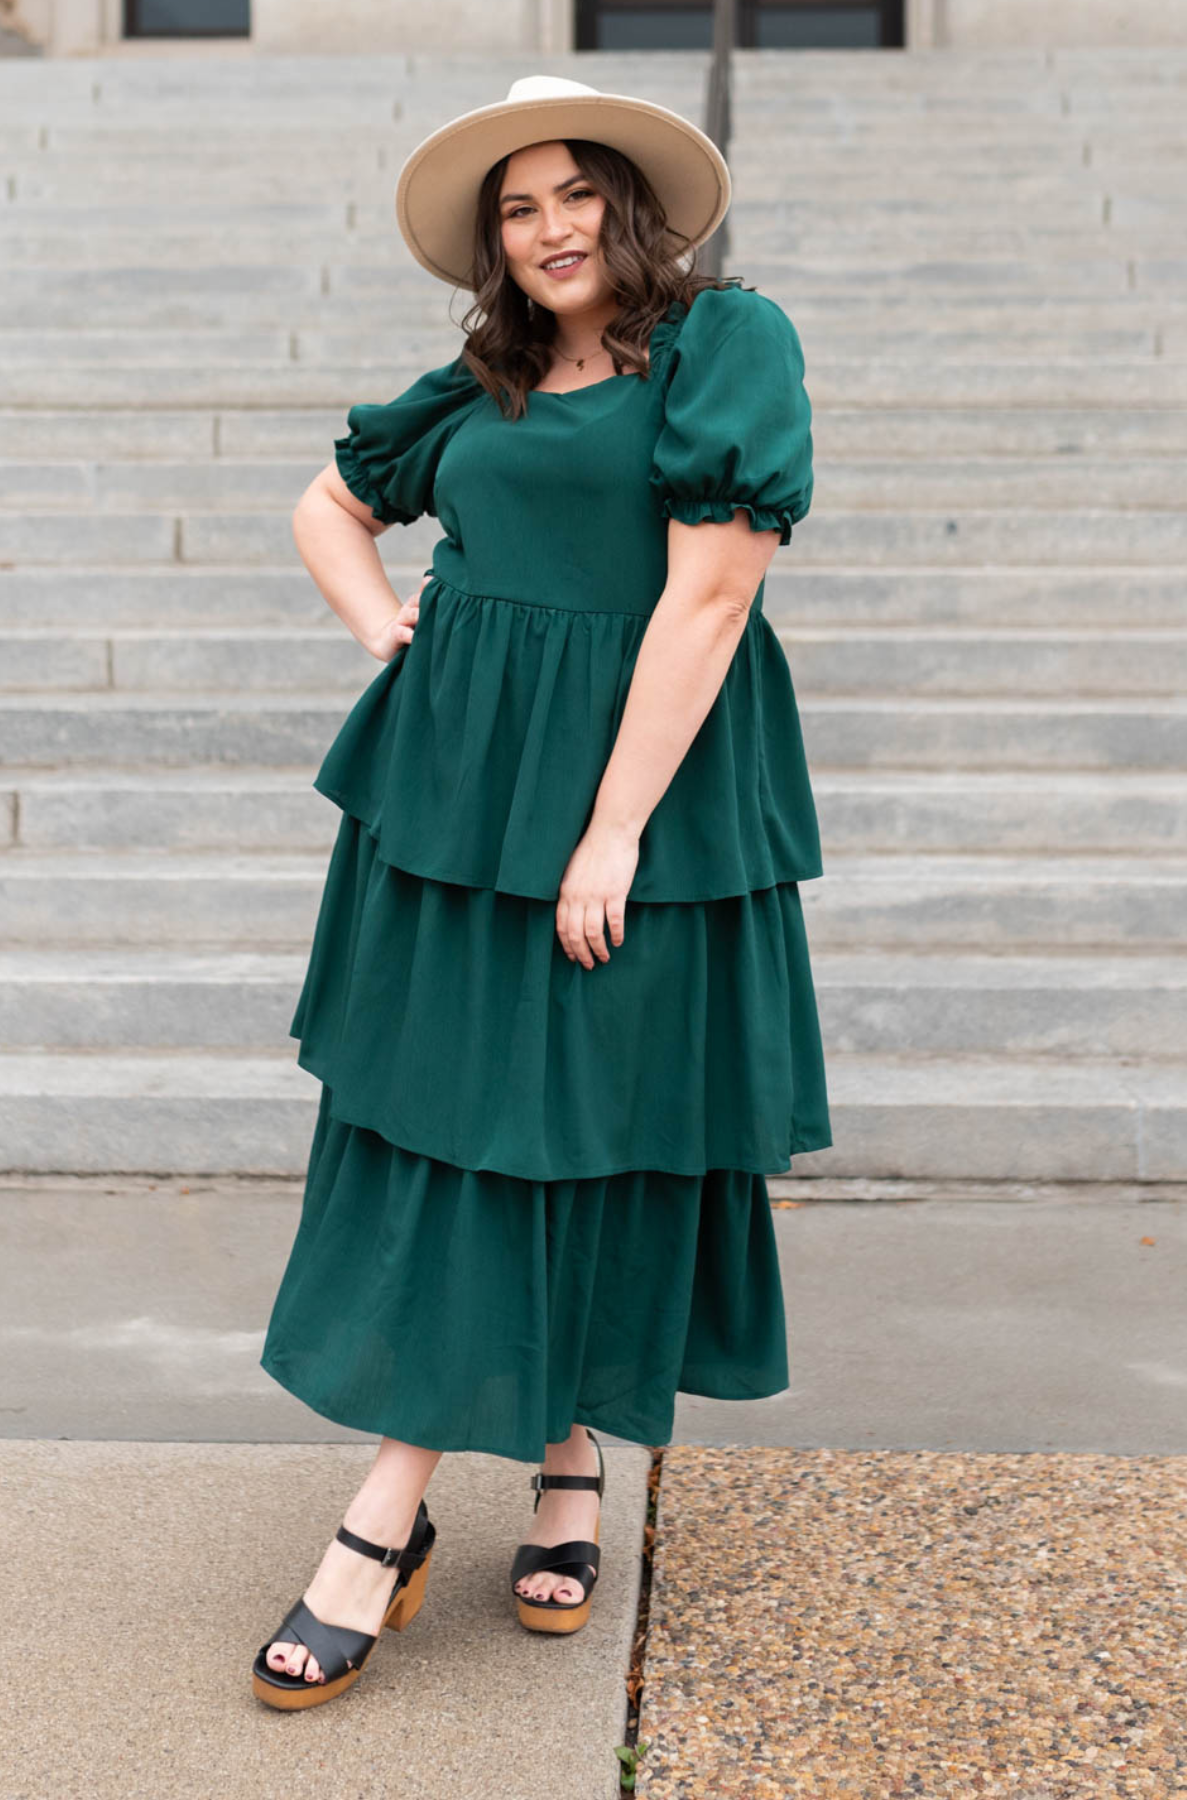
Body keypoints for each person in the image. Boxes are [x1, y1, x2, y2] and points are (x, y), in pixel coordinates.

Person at [251, 73, 832, 1708]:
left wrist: (612, 831)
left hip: (636, 800)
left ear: (630, 206)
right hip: (452, 811)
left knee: (569, 1120)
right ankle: (563, 1464)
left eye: (575, 192)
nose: (550, 226)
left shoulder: (724, 346)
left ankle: (383, 1520)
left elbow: (710, 603)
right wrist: (382, 625)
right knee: (480, 1128)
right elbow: (328, 501)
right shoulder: (485, 378)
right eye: (517, 207)